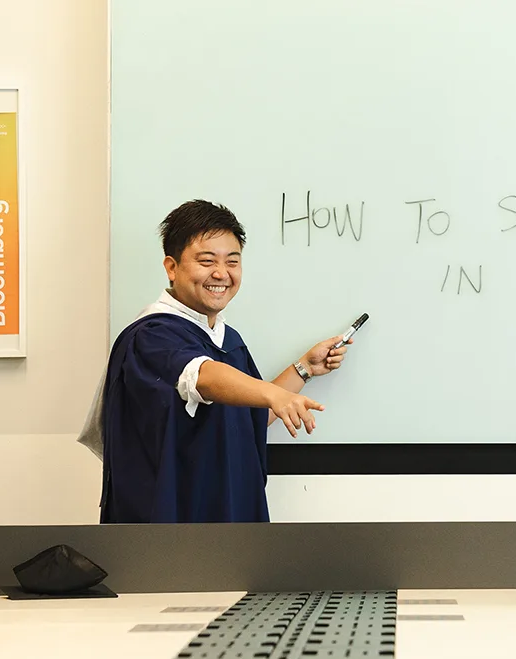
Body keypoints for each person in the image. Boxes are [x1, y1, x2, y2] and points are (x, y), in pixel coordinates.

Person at [88, 200, 352, 524]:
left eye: (232, 261)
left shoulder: (227, 340)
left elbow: (249, 415)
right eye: (206, 261)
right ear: (172, 267)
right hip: (173, 522)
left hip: (228, 513)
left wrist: (305, 368)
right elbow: (203, 377)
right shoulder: (152, 335)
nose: (221, 273)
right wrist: (274, 394)